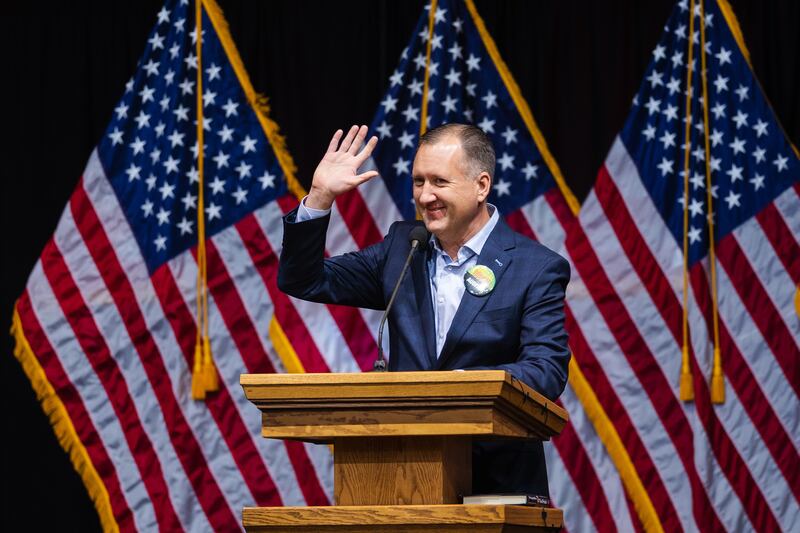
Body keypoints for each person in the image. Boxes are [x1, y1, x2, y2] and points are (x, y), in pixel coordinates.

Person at [278, 123, 570, 497]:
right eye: (418, 182)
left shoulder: (536, 267)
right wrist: (319, 196)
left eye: (439, 182)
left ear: (481, 186)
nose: (425, 195)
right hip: (402, 482)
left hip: (496, 483)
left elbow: (545, 369)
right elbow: (303, 280)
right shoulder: (403, 248)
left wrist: (461, 387)